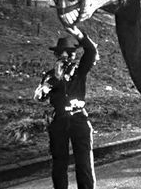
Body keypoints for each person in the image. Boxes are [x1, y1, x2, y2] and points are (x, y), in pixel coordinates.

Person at [34, 26, 99, 189]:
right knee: (59, 163)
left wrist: (80, 35)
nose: (69, 56)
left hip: (78, 119)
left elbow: (91, 51)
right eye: (64, 52)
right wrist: (55, 79)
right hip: (59, 121)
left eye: (72, 53)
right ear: (57, 55)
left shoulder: (80, 71)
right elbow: (39, 97)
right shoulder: (50, 75)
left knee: (84, 163)